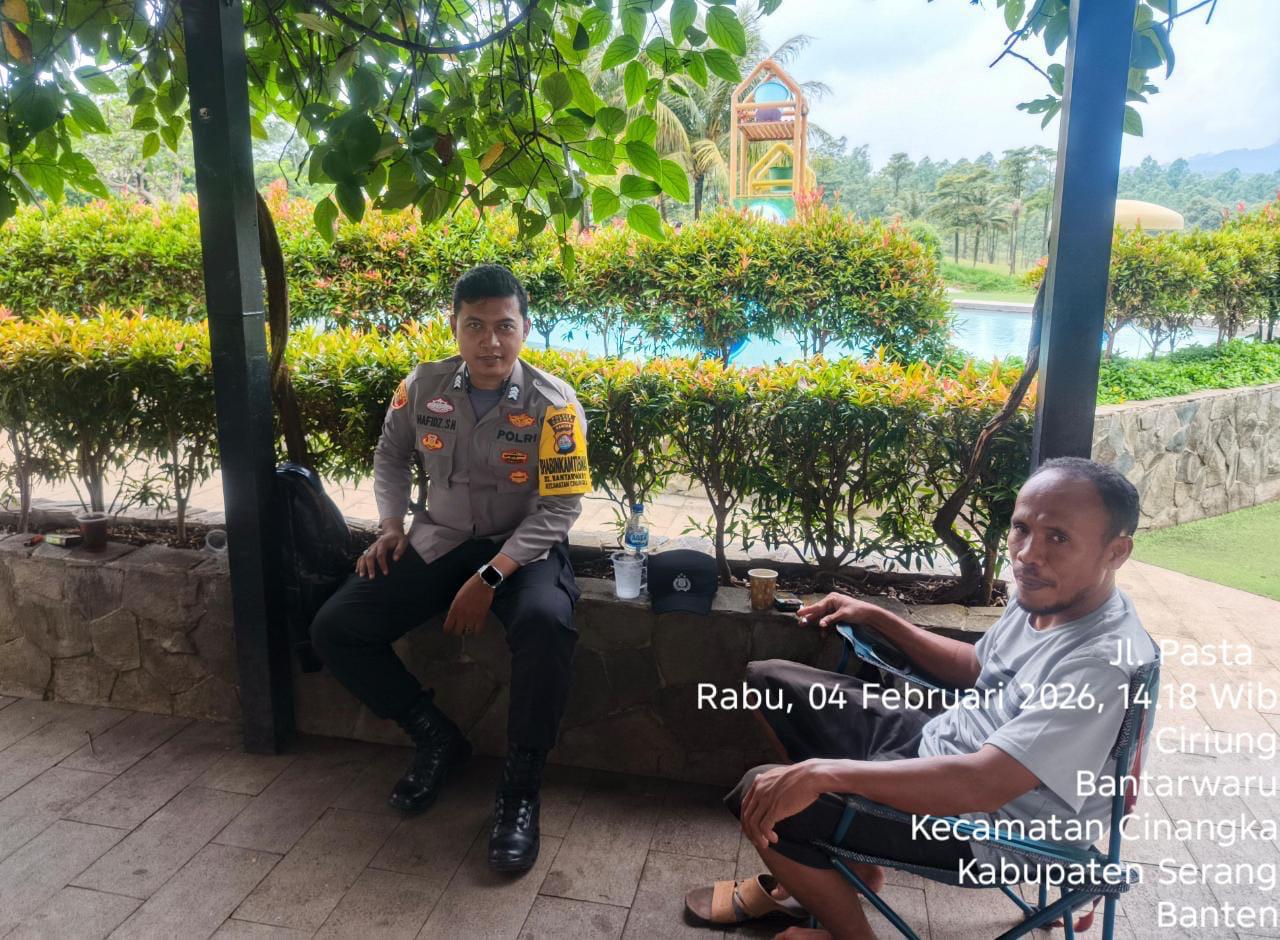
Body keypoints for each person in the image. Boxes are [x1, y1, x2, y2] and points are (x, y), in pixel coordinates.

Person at [685, 457, 1157, 939]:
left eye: (1058, 537)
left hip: (988, 828)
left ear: (1115, 552)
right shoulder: (1046, 593)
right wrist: (877, 616)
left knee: (764, 791)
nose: (1028, 554)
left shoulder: (1099, 664)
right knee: (769, 681)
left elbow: (983, 785)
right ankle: (852, 870)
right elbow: (975, 667)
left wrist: (823, 774)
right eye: (1021, 529)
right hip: (940, 747)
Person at [310, 264, 592, 873]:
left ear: (525, 329)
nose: (491, 341)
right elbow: (390, 455)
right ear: (455, 327)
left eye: (504, 326)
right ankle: (437, 738)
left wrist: (490, 577)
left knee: (546, 626)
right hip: (438, 539)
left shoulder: (555, 404)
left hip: (522, 548)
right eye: (475, 326)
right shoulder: (423, 385)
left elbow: (561, 508)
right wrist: (390, 526)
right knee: (336, 627)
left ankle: (520, 789)